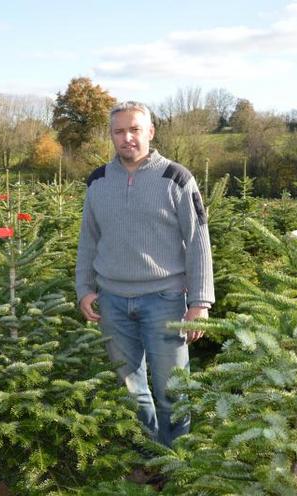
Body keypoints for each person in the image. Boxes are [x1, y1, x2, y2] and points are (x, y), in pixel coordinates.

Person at [75, 101, 214, 446]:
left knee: (173, 388)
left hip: (165, 301)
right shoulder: (98, 182)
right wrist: (84, 289)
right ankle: (149, 455)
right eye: (119, 132)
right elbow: (88, 240)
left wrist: (200, 303)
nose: (127, 138)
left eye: (134, 130)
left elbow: (198, 242)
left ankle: (177, 461)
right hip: (112, 303)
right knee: (131, 389)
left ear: (150, 132)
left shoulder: (177, 179)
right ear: (111, 136)